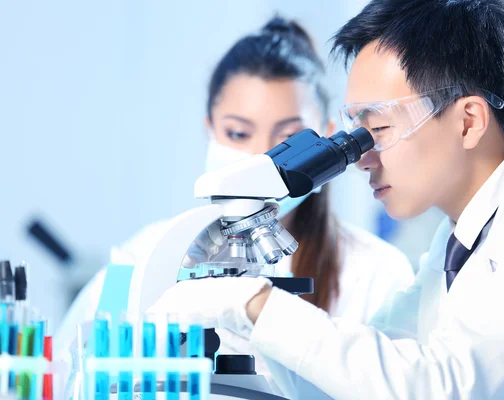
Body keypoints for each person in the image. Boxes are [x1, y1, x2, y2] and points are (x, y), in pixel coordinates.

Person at [149, 0, 504, 399]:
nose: (363, 160)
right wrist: (245, 326)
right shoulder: (460, 236)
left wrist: (254, 303)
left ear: (468, 121)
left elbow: (443, 386)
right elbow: (360, 382)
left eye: (378, 130)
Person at [54, 16, 415, 385]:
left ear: (324, 137)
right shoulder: (142, 254)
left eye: (288, 138)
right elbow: (73, 374)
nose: (260, 156)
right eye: (238, 132)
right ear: (210, 128)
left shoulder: (379, 272)